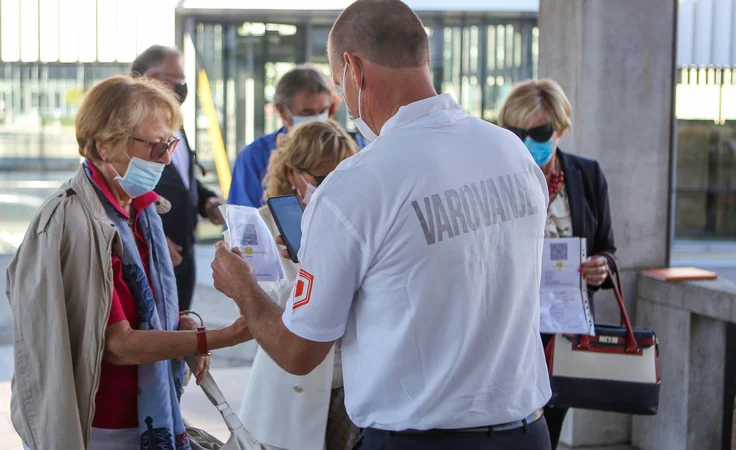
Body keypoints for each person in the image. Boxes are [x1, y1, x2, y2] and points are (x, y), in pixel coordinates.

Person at [210, 1, 552, 449]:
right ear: (423, 57)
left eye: (337, 84)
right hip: (526, 431)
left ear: (353, 68)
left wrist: (244, 289)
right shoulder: (511, 152)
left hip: (417, 439)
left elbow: (298, 352)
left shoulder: (356, 185)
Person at [7, 75, 251, 450]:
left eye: (171, 143)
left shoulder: (140, 208)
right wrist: (229, 335)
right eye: (156, 146)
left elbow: (143, 310)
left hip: (148, 415)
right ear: (106, 146)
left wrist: (181, 325)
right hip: (103, 425)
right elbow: (119, 345)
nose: (167, 158)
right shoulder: (73, 219)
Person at [498, 78, 617, 450]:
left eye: (538, 131)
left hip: (564, 329)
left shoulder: (587, 175)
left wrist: (602, 266)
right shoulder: (497, 177)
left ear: (561, 128)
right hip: (510, 326)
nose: (525, 139)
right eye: (515, 131)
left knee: (549, 425)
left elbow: (607, 247)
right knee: (508, 426)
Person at [239, 120, 359, 450]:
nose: (331, 186)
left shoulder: (356, 222)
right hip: (288, 391)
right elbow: (260, 312)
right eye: (322, 178)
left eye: (341, 176)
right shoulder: (258, 227)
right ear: (292, 172)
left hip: (351, 390)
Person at [131, 45, 225, 312]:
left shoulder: (173, 120)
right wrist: (151, 240)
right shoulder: (131, 126)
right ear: (152, 77)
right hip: (150, 256)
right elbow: (123, 189)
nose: (183, 87)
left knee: (180, 329)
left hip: (184, 254)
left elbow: (181, 179)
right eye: (178, 80)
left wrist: (205, 201)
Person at [228, 65, 363, 208]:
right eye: (307, 112)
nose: (316, 119)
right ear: (282, 111)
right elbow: (242, 220)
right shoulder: (255, 156)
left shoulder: (350, 147)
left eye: (323, 110)